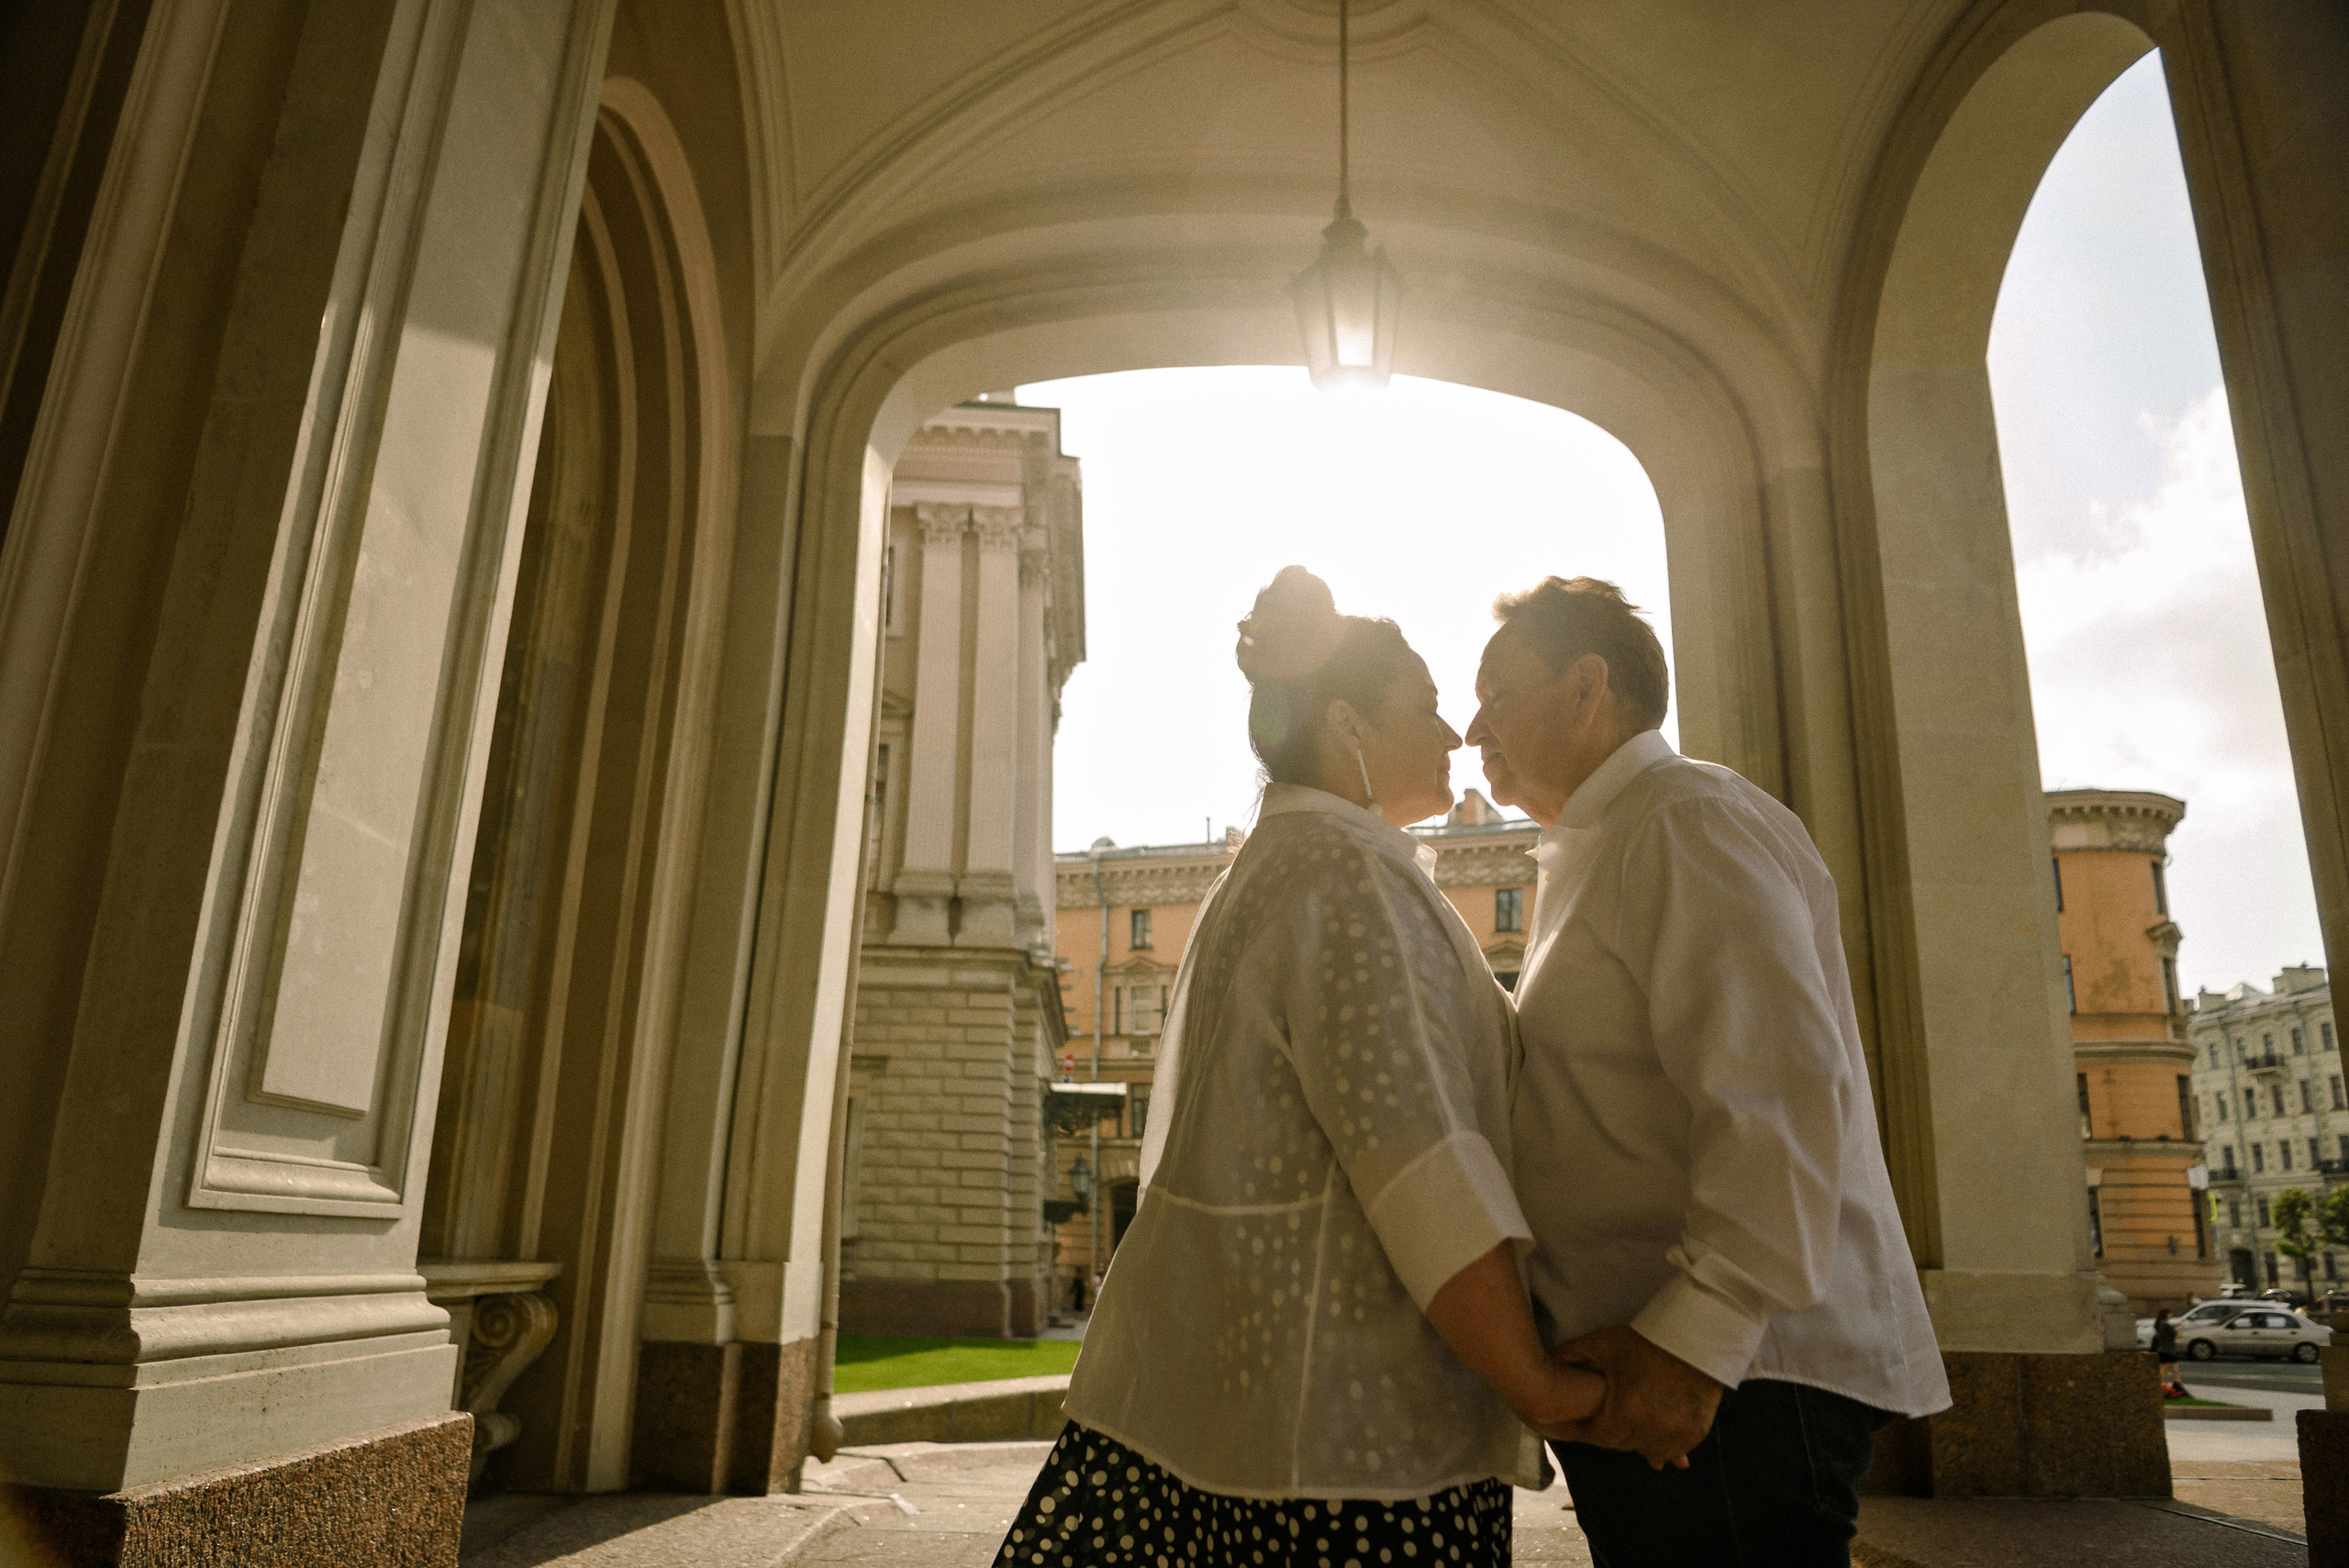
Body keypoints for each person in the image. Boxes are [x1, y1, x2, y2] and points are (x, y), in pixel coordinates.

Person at [999, 567, 1604, 1568]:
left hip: (1252, 1408)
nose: (1455, 735)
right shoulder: (1348, 879)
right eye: (1425, 705)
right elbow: (1418, 1165)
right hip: (1357, 1442)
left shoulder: (1279, 868)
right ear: (1346, 723)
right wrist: (1536, 1383)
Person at [1464, 576, 1952, 1567]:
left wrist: (1694, 1342)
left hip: (1730, 1388)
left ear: (1586, 687)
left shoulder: (1684, 820)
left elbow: (1778, 1097)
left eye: (1500, 691)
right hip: (1670, 1378)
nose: (1475, 725)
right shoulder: (1609, 840)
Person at [2153, 1309, 2183, 1398]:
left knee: (2176, 1370)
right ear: (2166, 1314)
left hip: (2165, 1350)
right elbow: (2178, 1335)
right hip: (2168, 1351)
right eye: (2170, 1313)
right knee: (2164, 1370)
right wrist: (2181, 1328)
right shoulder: (2166, 1325)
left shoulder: (2160, 1324)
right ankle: (2155, 1386)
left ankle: (2178, 1388)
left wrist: (2174, 1327)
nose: (2171, 1315)